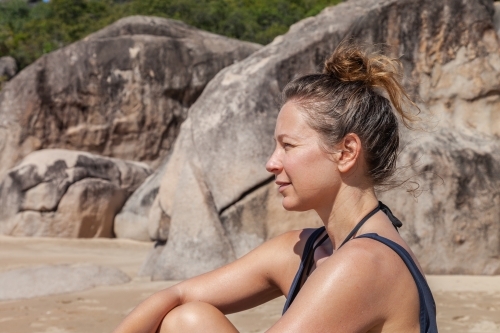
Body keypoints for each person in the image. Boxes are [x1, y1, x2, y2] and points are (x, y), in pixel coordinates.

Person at [113, 42, 438, 333]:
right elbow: (176, 296)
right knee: (186, 319)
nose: (271, 163)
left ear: (346, 152)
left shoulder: (364, 264)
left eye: (289, 146)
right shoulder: (305, 249)